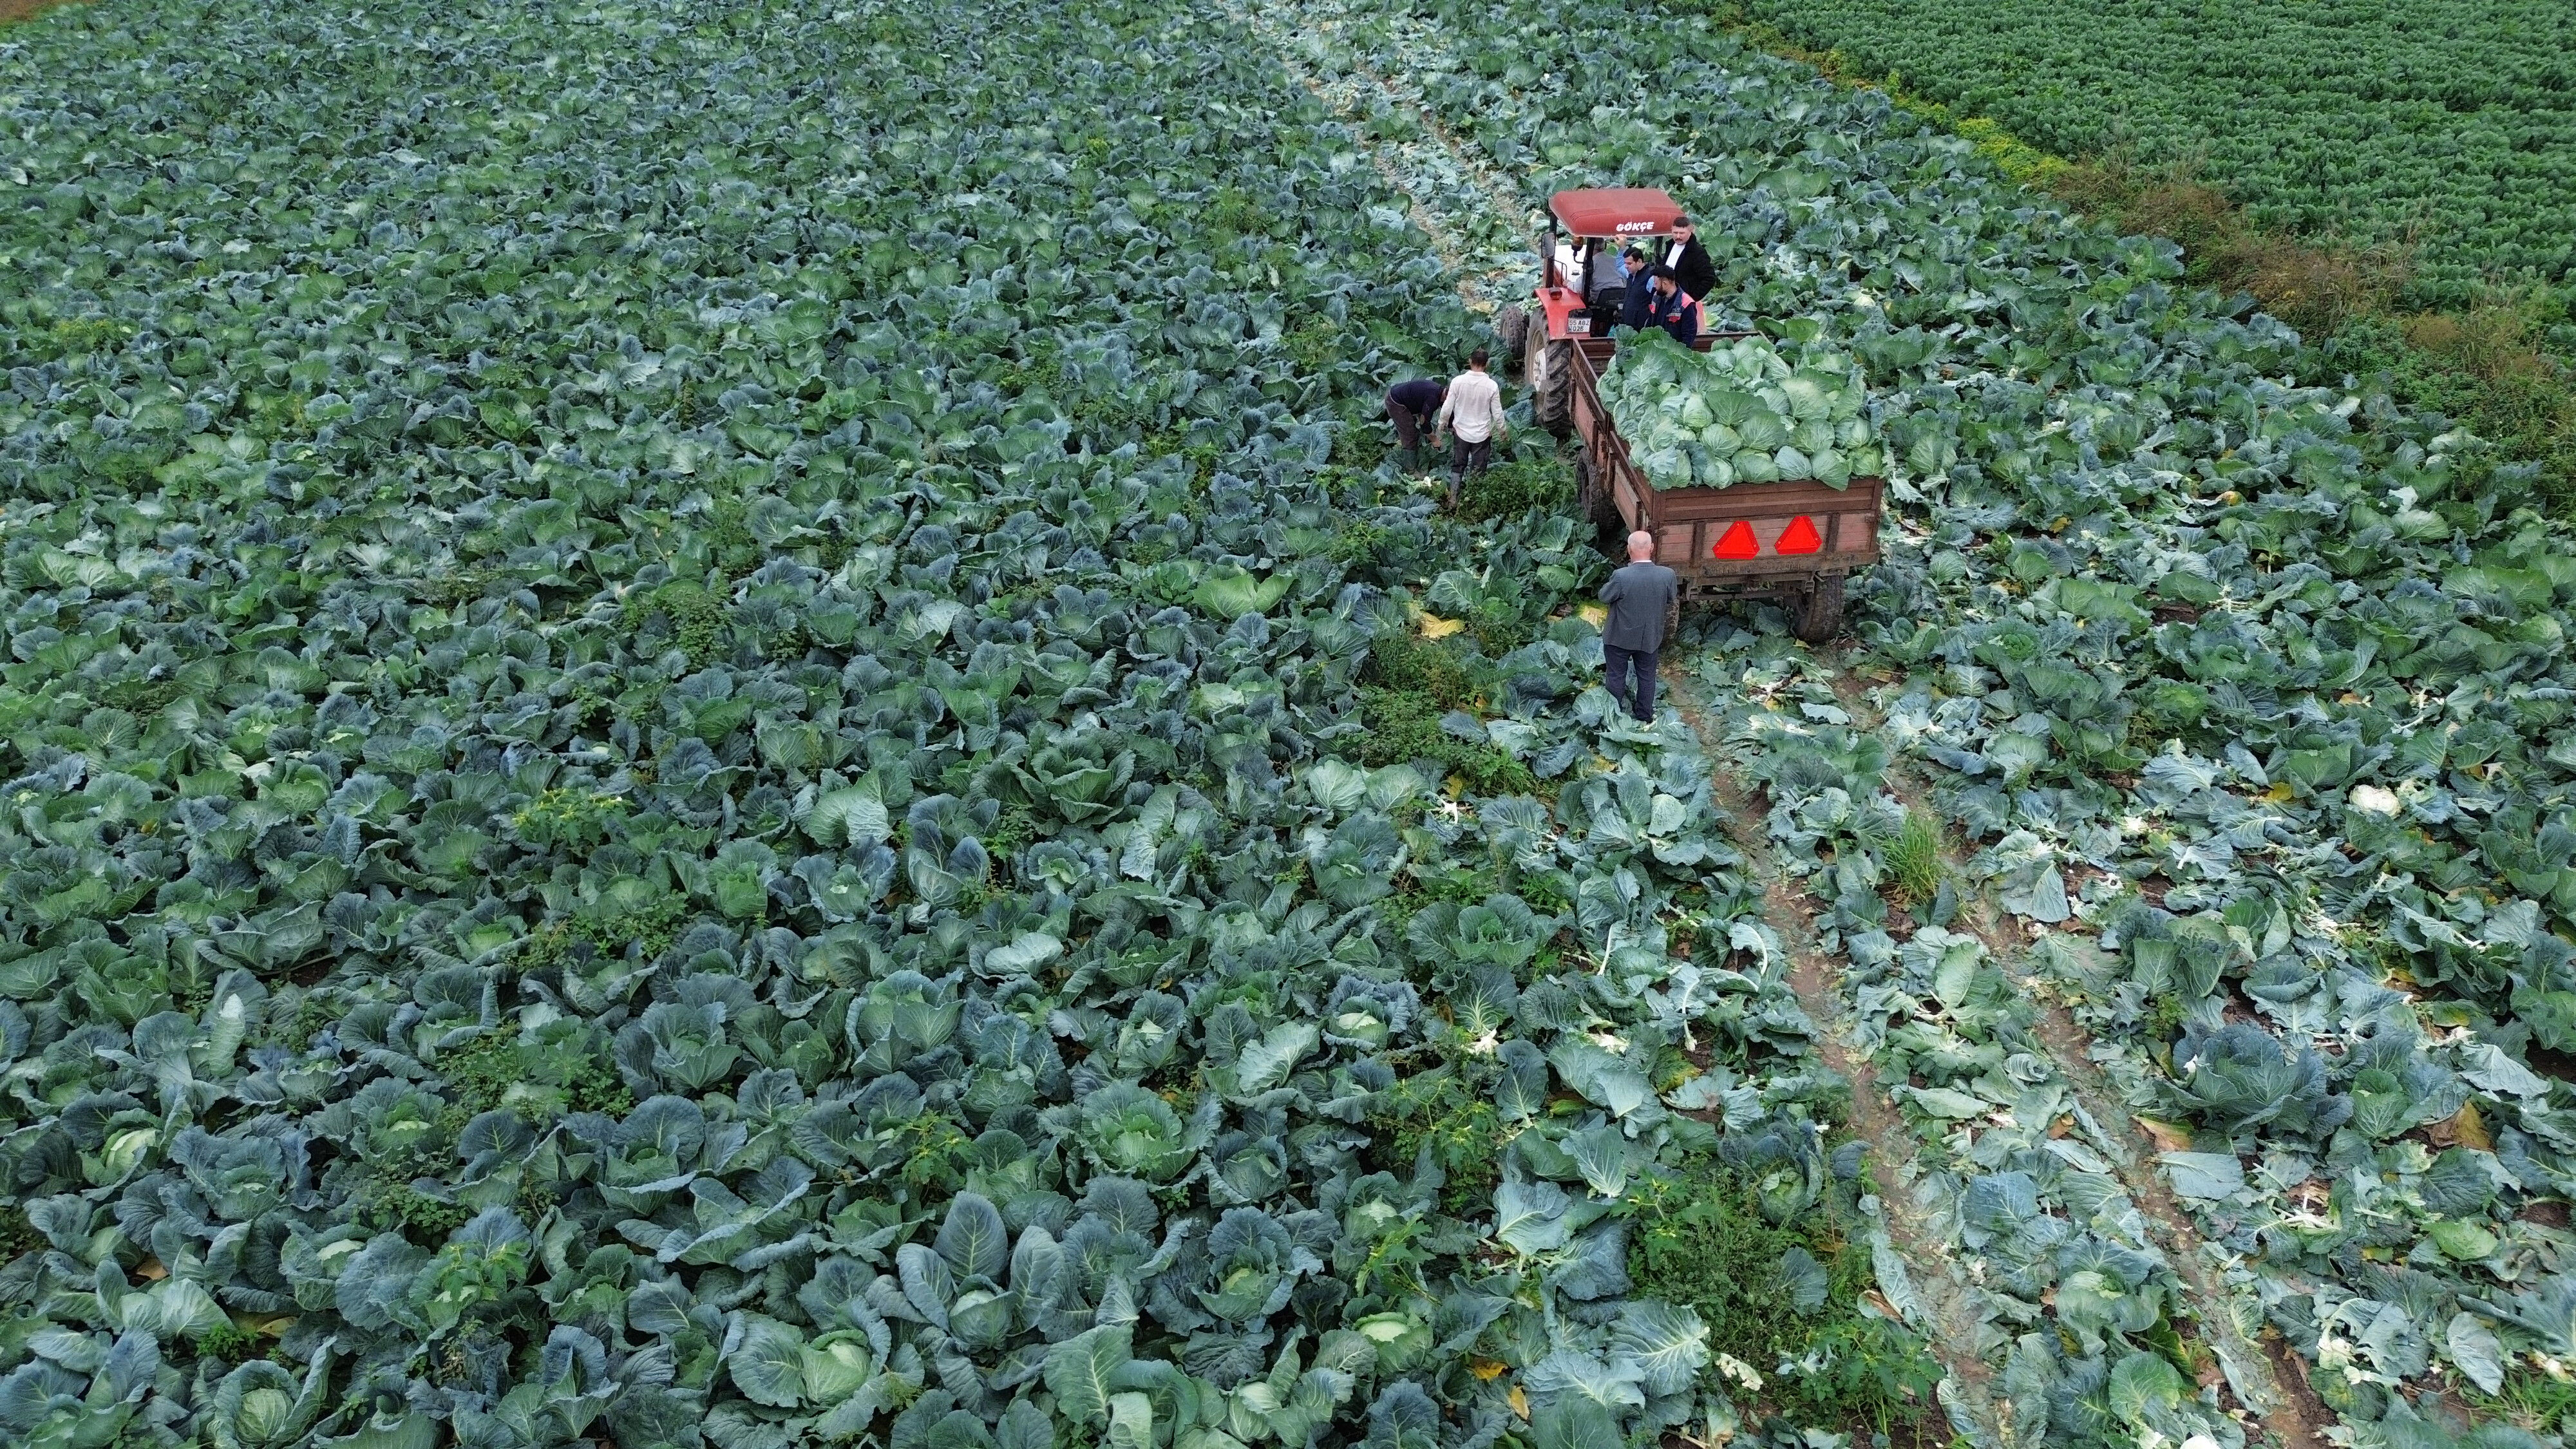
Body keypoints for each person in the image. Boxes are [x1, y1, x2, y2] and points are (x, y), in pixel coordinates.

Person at [1600, 530, 1677, 724]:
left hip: (1619, 637)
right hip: (1649, 637)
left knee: (1616, 676)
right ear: (1652, 548)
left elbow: (1604, 597)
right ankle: (1644, 715)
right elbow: (1671, 598)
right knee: (1647, 676)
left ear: (1629, 549)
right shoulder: (1667, 575)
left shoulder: (1621, 576)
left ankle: (1613, 716)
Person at [1433, 348, 1506, 508]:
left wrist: (1441, 424)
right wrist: (1502, 431)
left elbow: (1447, 407)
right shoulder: (1492, 386)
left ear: (1470, 362)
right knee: (1478, 470)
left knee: (1458, 465)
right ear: (1487, 364)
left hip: (1461, 433)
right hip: (1482, 435)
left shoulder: (1458, 382)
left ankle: (1453, 499)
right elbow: (1498, 413)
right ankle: (1473, 503)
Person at [1383, 376, 1446, 473]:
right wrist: (1435, 440)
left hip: (1400, 394)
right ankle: (1411, 470)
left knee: (1415, 430)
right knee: (1410, 434)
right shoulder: (1433, 398)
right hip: (1395, 402)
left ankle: (1414, 454)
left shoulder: (1439, 391)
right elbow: (1424, 423)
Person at [1662, 216, 1717, 305]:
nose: (1678, 236)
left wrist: (1691, 298)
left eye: (1682, 233)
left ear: (1690, 232)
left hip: (1683, 302)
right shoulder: (1670, 245)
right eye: (1675, 233)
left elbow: (1709, 278)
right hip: (1665, 298)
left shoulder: (1697, 252)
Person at [1645, 267, 1701, 346]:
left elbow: (1689, 335)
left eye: (1656, 283)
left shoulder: (1686, 303)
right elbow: (1650, 323)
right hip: (1657, 349)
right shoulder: (1656, 297)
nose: (1654, 286)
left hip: (1674, 352)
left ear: (1665, 283)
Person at [1618, 246, 1654, 331]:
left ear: (1639, 261)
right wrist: (1622, 248)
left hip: (1641, 326)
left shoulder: (1651, 278)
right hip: (1628, 324)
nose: (1626, 266)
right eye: (1625, 263)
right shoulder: (1630, 274)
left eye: (1629, 264)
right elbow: (1619, 266)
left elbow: (1657, 301)